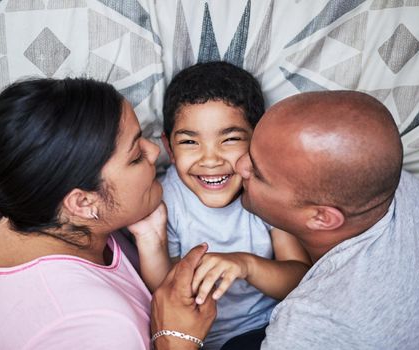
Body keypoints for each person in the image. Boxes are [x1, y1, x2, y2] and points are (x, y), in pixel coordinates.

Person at [150, 91, 419, 349]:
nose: (239, 166)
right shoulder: (384, 176)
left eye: (257, 172)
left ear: (321, 217)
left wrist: (176, 344)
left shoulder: (311, 327)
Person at [0, 78, 165, 349]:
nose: (155, 152)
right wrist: (179, 342)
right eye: (136, 156)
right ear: (82, 203)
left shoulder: (12, 206)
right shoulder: (102, 325)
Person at [132, 61, 310, 350]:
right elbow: (166, 289)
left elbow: (298, 279)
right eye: (190, 142)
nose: (210, 160)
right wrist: (149, 239)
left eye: (229, 140)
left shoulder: (267, 190)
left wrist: (247, 265)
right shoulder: (168, 199)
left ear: (258, 139)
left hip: (266, 326)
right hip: (196, 340)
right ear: (170, 149)